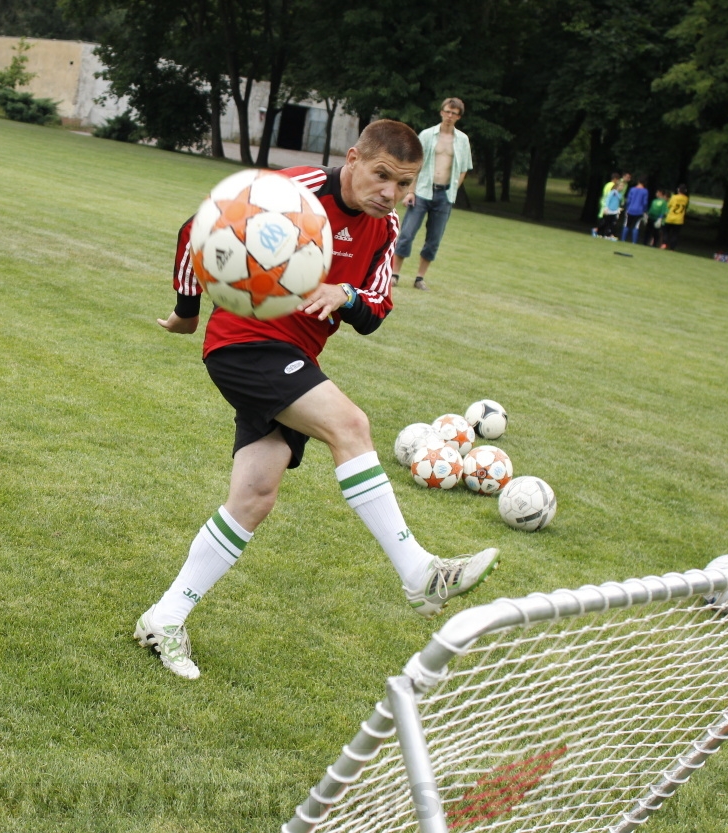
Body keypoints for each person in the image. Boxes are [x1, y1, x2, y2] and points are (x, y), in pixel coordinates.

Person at [136, 120, 499, 680]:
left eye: (403, 184)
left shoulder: (387, 227)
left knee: (255, 496)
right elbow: (196, 227)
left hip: (296, 358)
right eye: (382, 176)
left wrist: (346, 295)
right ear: (352, 159)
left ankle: (165, 617)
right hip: (245, 343)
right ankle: (419, 572)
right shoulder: (294, 191)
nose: (390, 193)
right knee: (351, 425)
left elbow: (375, 309)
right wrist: (187, 311)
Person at [389, 98, 473, 291]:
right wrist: (410, 191)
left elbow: (464, 169)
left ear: (459, 117)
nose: (450, 116)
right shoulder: (427, 135)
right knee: (407, 234)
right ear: (441, 112)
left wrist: (453, 190)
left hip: (445, 195)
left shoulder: (462, 140)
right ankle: (394, 273)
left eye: (454, 113)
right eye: (447, 111)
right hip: (422, 192)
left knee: (433, 239)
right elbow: (415, 164)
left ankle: (419, 278)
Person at [621, 178, 649, 244]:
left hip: (630, 209)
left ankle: (623, 239)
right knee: (636, 226)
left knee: (627, 224)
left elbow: (628, 200)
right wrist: (645, 210)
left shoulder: (632, 189)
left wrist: (627, 208)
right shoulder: (645, 191)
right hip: (639, 211)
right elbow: (645, 202)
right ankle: (634, 241)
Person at [663, 185, 689, 251]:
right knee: (675, 234)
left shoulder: (674, 197)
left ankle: (664, 243)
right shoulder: (686, 199)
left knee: (666, 231)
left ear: (678, 190)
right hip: (679, 219)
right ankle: (672, 248)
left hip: (670, 217)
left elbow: (669, 205)